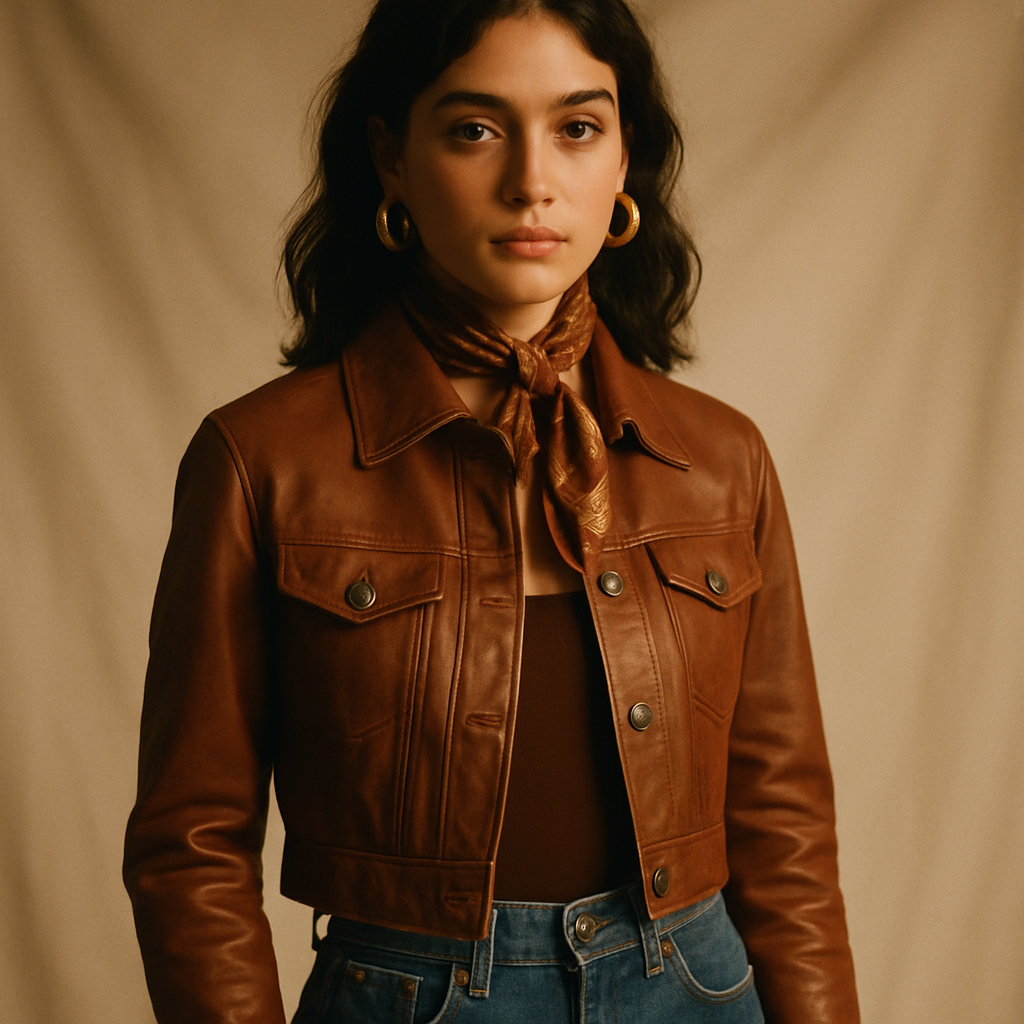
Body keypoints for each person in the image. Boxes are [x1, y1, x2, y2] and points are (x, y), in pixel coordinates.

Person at [123, 1, 860, 1022]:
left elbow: (784, 833)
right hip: (410, 996)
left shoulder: (720, 457)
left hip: (696, 988)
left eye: (576, 127)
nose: (530, 180)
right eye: (474, 128)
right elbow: (188, 845)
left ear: (621, 165)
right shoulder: (262, 459)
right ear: (391, 158)